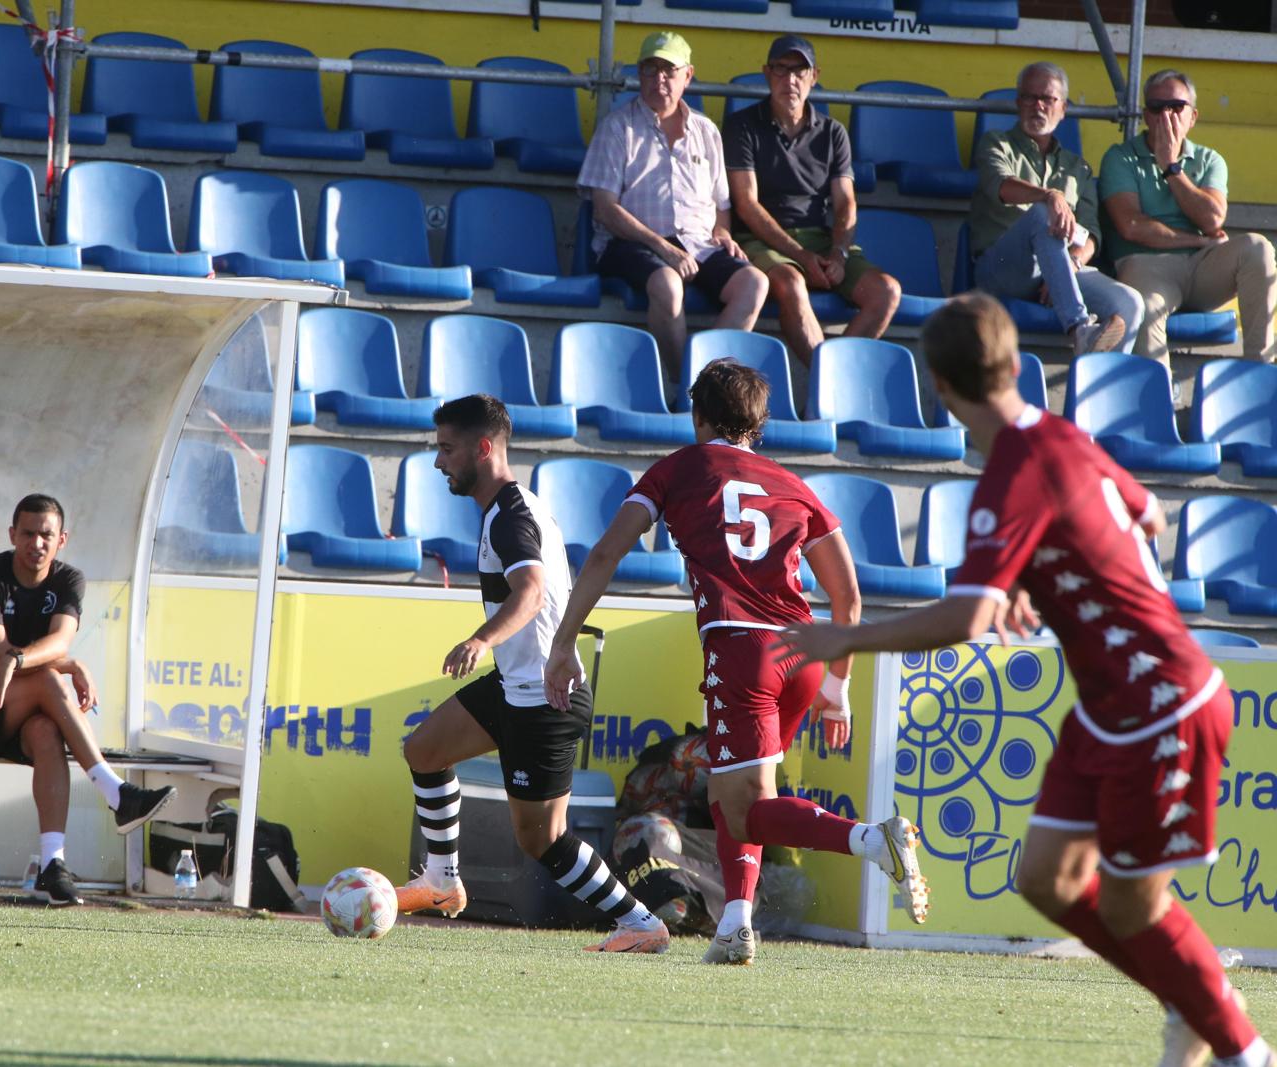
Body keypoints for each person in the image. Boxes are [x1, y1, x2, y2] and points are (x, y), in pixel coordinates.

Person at [774, 293, 1269, 1067]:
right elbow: (1151, 520)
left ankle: (1241, 1044)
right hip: (1111, 708)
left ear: (939, 384)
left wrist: (846, 637)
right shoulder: (1059, 433)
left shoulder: (1012, 467)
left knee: (1136, 905)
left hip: (1161, 702)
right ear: (1012, 359)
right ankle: (1190, 995)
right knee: (1045, 878)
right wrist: (1047, 574)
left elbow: (966, 621)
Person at [542, 360, 928, 966]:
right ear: (760, 423)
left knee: (744, 804)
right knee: (734, 797)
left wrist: (565, 640)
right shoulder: (793, 484)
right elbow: (848, 597)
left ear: (698, 416)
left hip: (743, 650)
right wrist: (837, 687)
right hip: (804, 651)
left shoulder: (679, 467)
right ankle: (737, 925)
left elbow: (605, 554)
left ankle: (869, 840)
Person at [397, 395, 671, 953]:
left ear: (483, 448)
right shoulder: (509, 509)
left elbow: (531, 593)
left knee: (541, 840)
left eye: (446, 449)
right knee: (424, 751)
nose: (437, 462)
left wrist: (480, 639)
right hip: (517, 684)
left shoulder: (511, 516)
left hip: (544, 700)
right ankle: (442, 880)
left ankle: (643, 924)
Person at [0, 494, 176, 907]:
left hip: (18, 711)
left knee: (47, 730)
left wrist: (37, 659)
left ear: (61, 539)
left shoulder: (68, 580)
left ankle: (52, 864)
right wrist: (62, 665)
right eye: (28, 533)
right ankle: (116, 793)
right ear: (13, 535)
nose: (37, 543)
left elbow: (60, 639)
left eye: (46, 534)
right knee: (49, 680)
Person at [579, 31, 768, 383]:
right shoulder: (617, 127)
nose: (658, 79)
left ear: (688, 75)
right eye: (649, 70)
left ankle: (706, 383)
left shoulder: (706, 130)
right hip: (631, 244)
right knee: (668, 283)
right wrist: (663, 248)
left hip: (697, 243)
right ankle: (688, 389)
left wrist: (723, 232)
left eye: (668, 70)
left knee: (754, 284)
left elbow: (721, 204)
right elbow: (605, 209)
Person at [724, 34, 902, 364]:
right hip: (760, 241)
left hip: (820, 240)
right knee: (792, 284)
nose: (790, 80)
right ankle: (830, 389)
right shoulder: (741, 126)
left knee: (887, 292)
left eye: (799, 71)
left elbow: (846, 204)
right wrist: (803, 258)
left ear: (814, 77)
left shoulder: (833, 133)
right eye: (780, 69)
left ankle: (831, 380)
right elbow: (746, 205)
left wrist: (839, 252)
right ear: (766, 73)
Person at [1100, 69, 1276, 369]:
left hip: (1201, 266)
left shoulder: (1209, 159)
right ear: (1145, 115)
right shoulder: (1120, 157)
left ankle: (1260, 374)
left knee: (1257, 247)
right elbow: (1131, 226)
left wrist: (1171, 166)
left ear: (1192, 117)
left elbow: (1212, 218)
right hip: (1145, 264)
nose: (1166, 115)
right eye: (1157, 107)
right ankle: (1158, 398)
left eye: (1176, 107)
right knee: (1144, 306)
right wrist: (1198, 240)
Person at [972, 61, 1140, 356]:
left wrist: (1070, 264)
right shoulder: (996, 143)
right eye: (1029, 97)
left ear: (1063, 108)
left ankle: (1095, 393)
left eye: (1047, 99)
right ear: (1018, 103)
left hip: (1060, 268)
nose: (1037, 105)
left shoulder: (1079, 168)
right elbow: (1000, 186)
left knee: (1130, 303)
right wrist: (1050, 196)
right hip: (1003, 268)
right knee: (1041, 213)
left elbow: (1091, 234)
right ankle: (1079, 329)